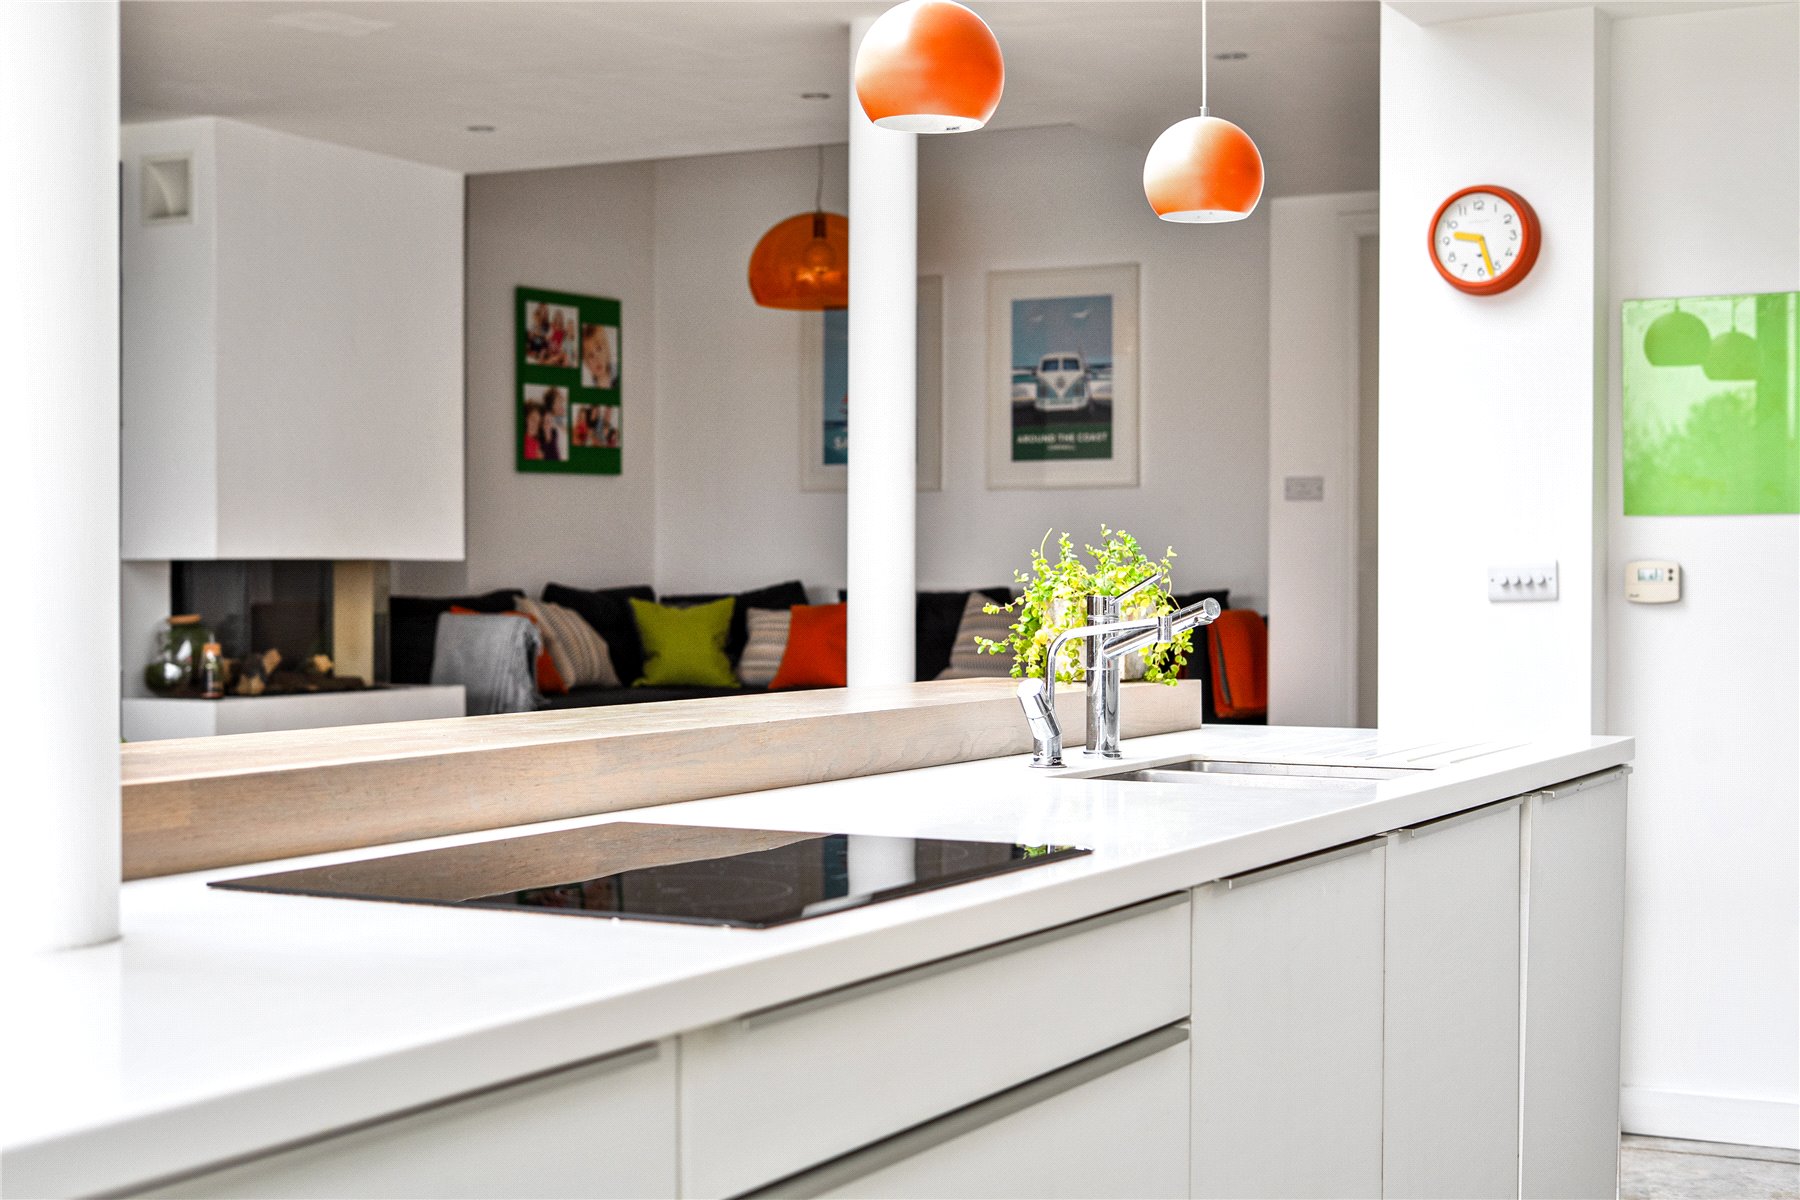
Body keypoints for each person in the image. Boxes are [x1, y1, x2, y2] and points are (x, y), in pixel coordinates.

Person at [581, 323, 615, 389]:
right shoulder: (588, 385)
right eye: (591, 355)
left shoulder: (619, 374)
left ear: (606, 349)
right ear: (587, 363)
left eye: (599, 349)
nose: (597, 358)